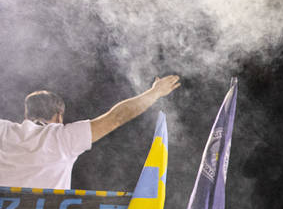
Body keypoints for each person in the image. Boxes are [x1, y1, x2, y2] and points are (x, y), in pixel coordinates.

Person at [0, 76, 180, 190]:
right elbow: (116, 117)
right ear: (59, 116)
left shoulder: (3, 130)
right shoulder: (63, 138)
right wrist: (155, 92)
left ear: (26, 114)